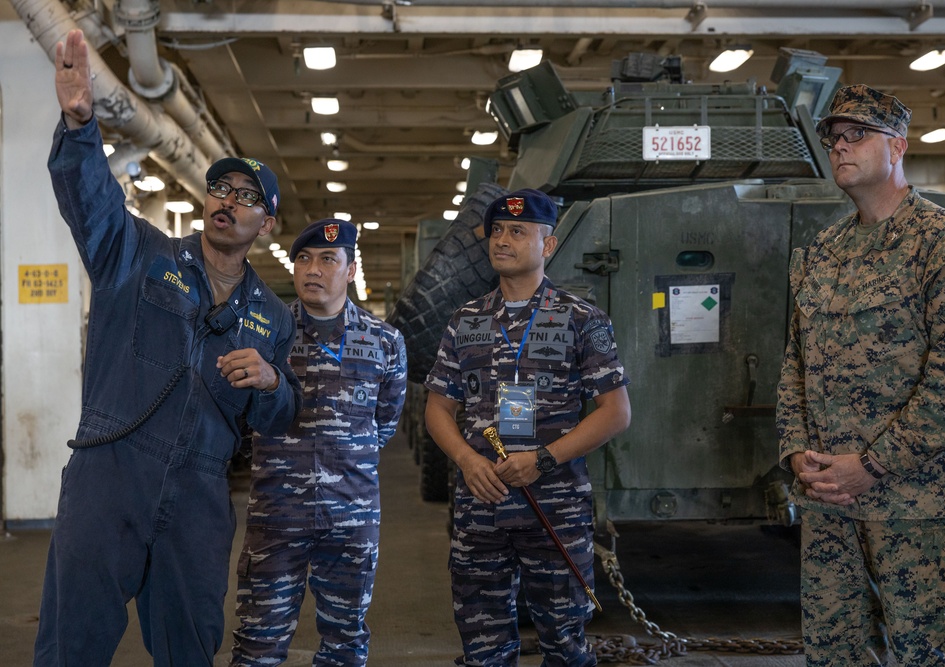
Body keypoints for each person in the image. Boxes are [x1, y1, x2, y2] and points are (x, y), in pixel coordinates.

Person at [35, 29, 302, 666]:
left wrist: (271, 383)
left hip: (201, 491)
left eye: (246, 198)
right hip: (110, 468)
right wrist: (79, 127)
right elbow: (90, 200)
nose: (227, 203)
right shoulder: (137, 254)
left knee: (191, 641)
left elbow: (282, 414)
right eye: (220, 190)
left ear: (264, 225)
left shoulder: (270, 315)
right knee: (73, 638)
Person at [776, 84, 945, 665]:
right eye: (833, 138)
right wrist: (797, 451)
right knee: (833, 651)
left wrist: (872, 465)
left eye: (858, 135)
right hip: (828, 496)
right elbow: (795, 364)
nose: (840, 147)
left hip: (914, 499)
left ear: (897, 146)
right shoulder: (823, 251)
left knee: (925, 651)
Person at [424, 188, 632, 666]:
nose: (503, 240)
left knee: (565, 642)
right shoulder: (465, 321)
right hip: (481, 507)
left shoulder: (581, 320)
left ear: (548, 245)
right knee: (483, 645)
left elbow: (615, 411)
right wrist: (466, 459)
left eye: (518, 231)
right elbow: (437, 408)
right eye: (497, 230)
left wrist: (542, 459)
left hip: (553, 505)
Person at [229, 218, 408, 666]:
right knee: (257, 642)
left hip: (352, 517)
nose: (313, 269)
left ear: (349, 270)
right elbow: (241, 422)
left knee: (345, 643)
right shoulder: (266, 335)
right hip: (277, 515)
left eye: (328, 259)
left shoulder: (385, 341)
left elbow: (384, 425)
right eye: (304, 259)